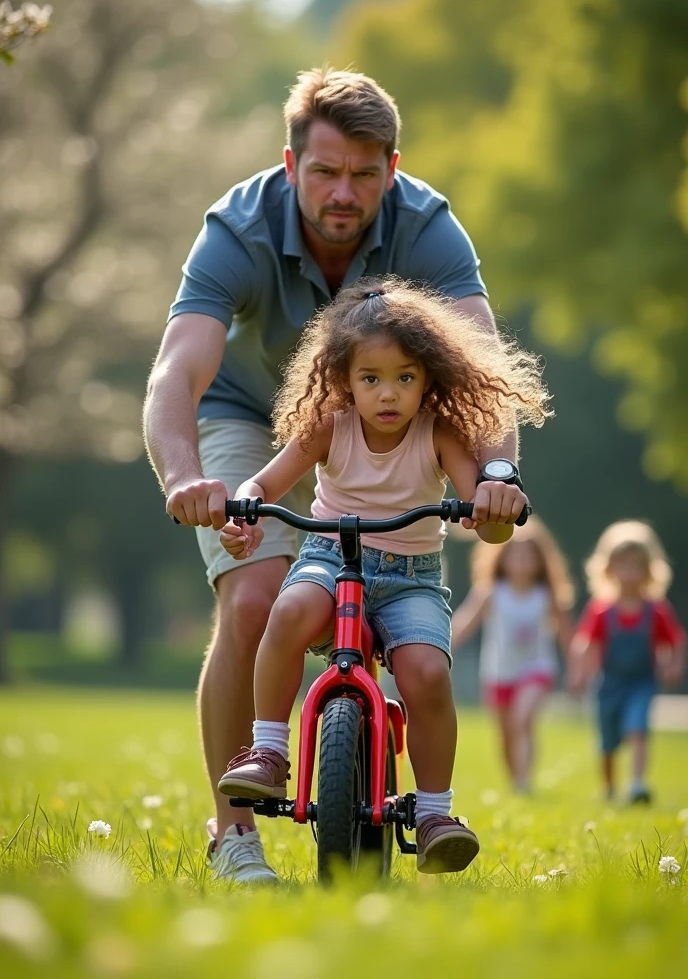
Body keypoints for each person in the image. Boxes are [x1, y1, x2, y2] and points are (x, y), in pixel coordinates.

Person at [143, 67, 532, 883]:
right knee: (254, 595)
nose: (343, 191)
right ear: (292, 167)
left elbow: (482, 375)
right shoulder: (237, 228)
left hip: (391, 425)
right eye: (324, 172)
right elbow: (176, 375)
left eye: (364, 173)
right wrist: (186, 479)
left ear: (392, 168)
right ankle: (236, 830)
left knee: (391, 628)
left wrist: (495, 473)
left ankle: (417, 796)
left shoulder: (427, 227)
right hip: (251, 416)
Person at [216, 279, 550, 874]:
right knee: (288, 613)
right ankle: (268, 751)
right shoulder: (330, 424)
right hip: (329, 558)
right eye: (371, 378)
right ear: (345, 379)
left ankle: (434, 811)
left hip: (411, 578)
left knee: (425, 673)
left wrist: (496, 505)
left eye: (405, 377)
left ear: (430, 379)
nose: (388, 394)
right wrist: (245, 508)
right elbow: (264, 483)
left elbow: (486, 522)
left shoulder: (440, 434)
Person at [451, 518, 574, 793]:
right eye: (514, 555)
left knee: (523, 718)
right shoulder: (491, 593)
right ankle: (515, 780)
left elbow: (567, 634)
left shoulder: (546, 595)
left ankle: (524, 780)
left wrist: (577, 667)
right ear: (501, 558)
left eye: (528, 555)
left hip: (536, 669)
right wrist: (445, 648)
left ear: (541, 560)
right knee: (506, 733)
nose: (521, 561)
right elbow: (464, 623)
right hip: (497, 673)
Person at [568, 520, 685, 803]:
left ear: (649, 571)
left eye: (636, 566)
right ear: (608, 570)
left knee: (638, 727)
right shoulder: (601, 611)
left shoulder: (656, 611)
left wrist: (673, 665)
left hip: (641, 682)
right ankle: (609, 787)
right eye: (623, 566)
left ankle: (637, 784)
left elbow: (676, 640)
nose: (630, 574)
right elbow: (584, 643)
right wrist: (579, 673)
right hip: (608, 683)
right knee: (608, 742)